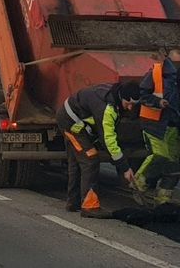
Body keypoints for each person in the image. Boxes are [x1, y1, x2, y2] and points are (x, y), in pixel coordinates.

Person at [56, 81, 140, 219]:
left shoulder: (115, 95)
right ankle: (89, 206)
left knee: (76, 162)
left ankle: (73, 202)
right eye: (128, 103)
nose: (130, 108)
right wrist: (125, 167)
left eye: (134, 105)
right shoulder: (107, 108)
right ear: (122, 97)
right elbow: (108, 140)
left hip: (73, 116)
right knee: (90, 159)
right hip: (71, 122)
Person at [132, 48, 180, 208]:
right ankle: (138, 184)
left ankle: (163, 199)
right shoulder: (156, 73)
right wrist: (157, 102)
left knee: (173, 162)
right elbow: (143, 95)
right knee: (159, 155)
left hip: (174, 124)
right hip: (154, 122)